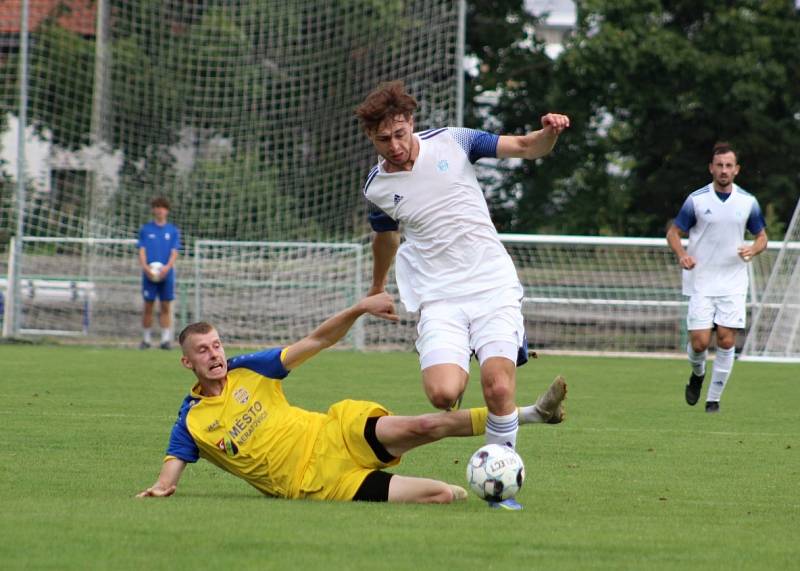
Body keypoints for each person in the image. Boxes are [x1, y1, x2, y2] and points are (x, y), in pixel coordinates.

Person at [354, 81, 569, 509]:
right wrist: (377, 289)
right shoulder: (376, 187)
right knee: (442, 394)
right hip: (438, 295)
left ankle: (500, 487)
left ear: (410, 122)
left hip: (492, 284)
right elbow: (384, 238)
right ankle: (520, 409)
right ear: (370, 138)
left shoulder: (454, 140)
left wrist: (551, 132)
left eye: (399, 134)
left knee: (496, 387)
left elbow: (527, 146)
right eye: (383, 139)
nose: (394, 145)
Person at [136, 293, 567, 506]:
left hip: (335, 433)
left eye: (216, 346)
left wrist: (359, 307)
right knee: (442, 495)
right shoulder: (191, 422)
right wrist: (159, 489)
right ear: (186, 363)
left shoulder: (251, 367)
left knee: (423, 425)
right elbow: (170, 474)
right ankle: (486, 483)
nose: (215, 355)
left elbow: (318, 339)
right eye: (203, 351)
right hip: (320, 483)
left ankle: (529, 413)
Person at [666, 142, 767, 413]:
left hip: (733, 280)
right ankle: (697, 375)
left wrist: (753, 249)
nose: (724, 170)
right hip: (701, 280)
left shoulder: (747, 202)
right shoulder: (696, 200)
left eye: (729, 165)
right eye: (719, 165)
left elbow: (762, 237)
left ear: (737, 170)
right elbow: (673, 233)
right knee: (699, 343)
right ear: (711, 168)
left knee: (725, 339)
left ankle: (713, 400)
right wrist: (682, 255)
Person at [137, 197, 181, 350]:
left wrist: (167, 267)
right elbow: (141, 250)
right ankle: (146, 340)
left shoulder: (173, 231)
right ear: (153, 210)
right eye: (157, 207)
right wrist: (145, 268)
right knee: (148, 306)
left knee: (165, 306)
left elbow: (174, 252)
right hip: (149, 274)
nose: (159, 210)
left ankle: (165, 340)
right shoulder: (146, 229)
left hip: (166, 274)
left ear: (167, 211)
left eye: (162, 207)